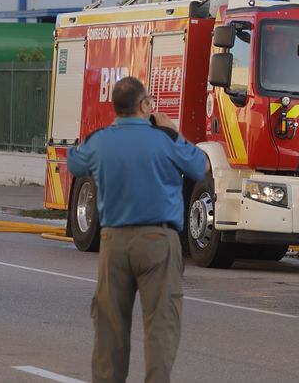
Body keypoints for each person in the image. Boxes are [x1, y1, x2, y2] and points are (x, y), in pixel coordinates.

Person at [67, 76, 208, 383]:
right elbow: (200, 166)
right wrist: (174, 130)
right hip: (158, 241)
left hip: (113, 241)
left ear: (116, 108)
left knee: (109, 325)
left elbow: (75, 163)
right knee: (161, 323)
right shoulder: (165, 139)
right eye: (150, 101)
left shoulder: (101, 140)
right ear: (144, 105)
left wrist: (102, 136)